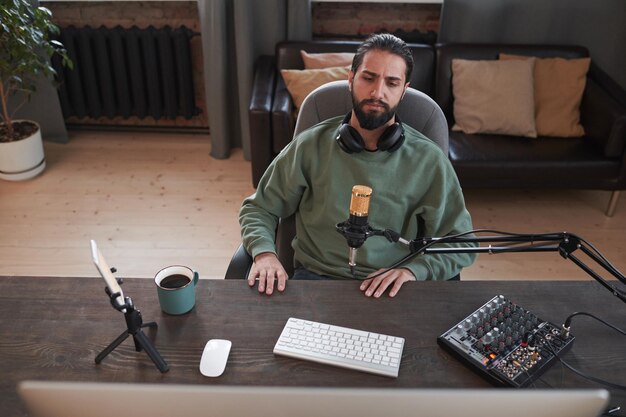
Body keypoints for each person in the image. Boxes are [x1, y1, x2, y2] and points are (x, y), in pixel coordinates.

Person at [239, 33, 476, 298]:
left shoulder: (429, 161)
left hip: (393, 287)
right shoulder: (310, 146)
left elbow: (460, 242)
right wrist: (265, 255)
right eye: (368, 78)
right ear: (350, 79)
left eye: (392, 82)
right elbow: (259, 207)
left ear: (404, 90)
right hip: (315, 282)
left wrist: (414, 271)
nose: (378, 92)